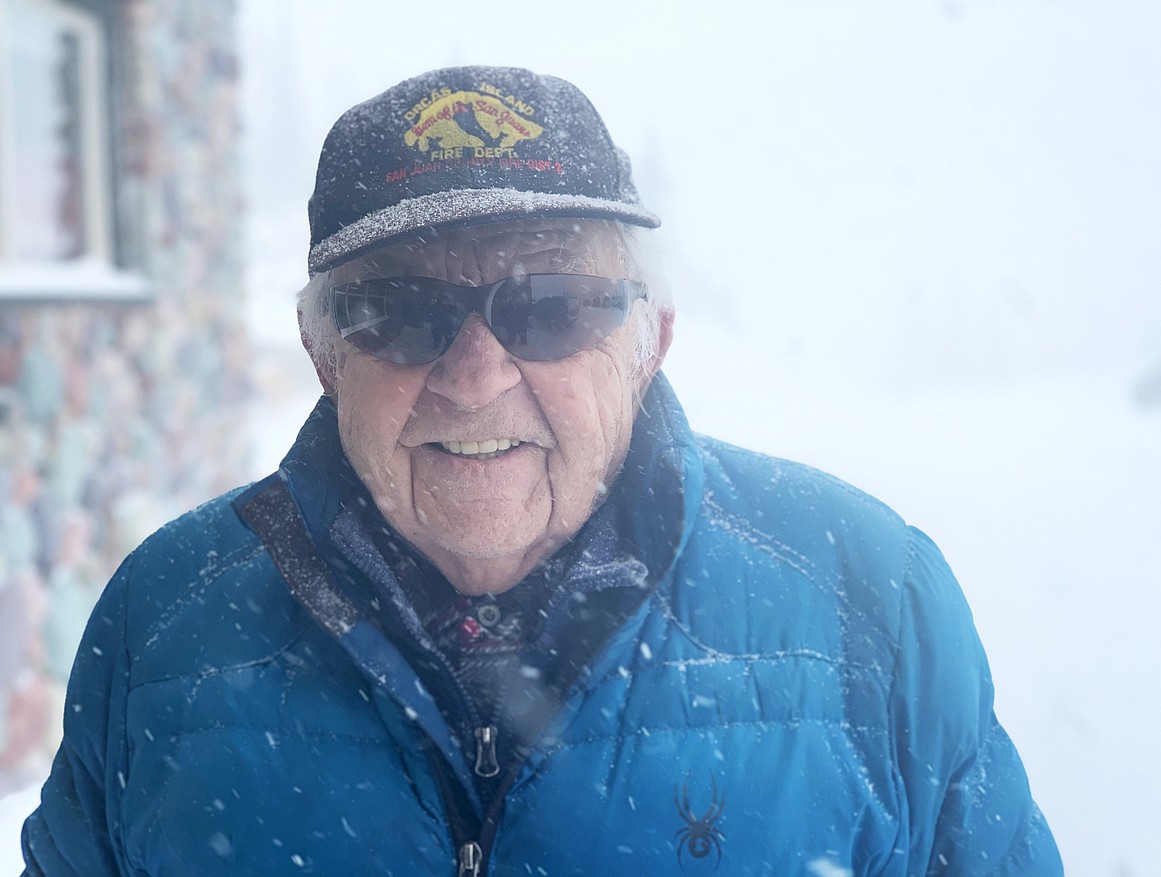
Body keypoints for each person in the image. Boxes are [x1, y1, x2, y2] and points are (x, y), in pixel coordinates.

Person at [21, 66, 1063, 876]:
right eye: (400, 313)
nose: (475, 378)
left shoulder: (869, 602)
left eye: (552, 305)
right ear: (322, 350)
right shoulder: (161, 626)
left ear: (649, 338)